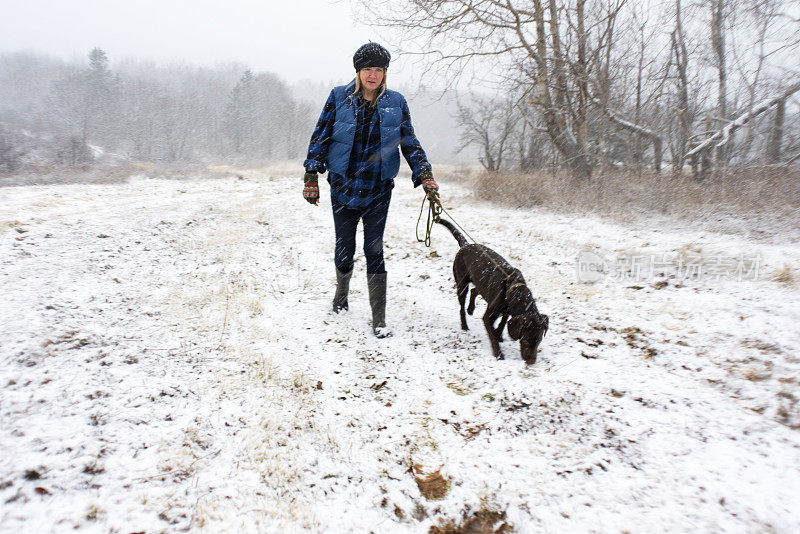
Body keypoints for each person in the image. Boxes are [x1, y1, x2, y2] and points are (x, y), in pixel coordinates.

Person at [302, 42, 439, 338]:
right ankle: (341, 296)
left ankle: (379, 319)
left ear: (385, 72)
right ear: (358, 71)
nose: (373, 75)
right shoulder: (339, 97)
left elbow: (409, 142)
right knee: (344, 248)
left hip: (378, 190)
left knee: (374, 250)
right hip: (343, 186)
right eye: (367, 69)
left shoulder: (396, 102)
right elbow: (321, 134)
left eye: (378, 69)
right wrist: (311, 174)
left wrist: (424, 173)